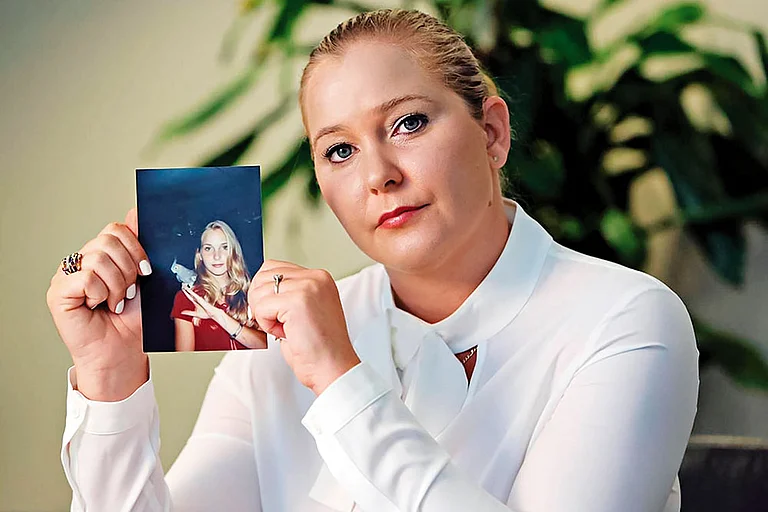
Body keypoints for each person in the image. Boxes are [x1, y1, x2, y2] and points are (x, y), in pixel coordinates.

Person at [46, 8, 699, 512]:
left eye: (409, 123)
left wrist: (340, 379)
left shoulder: (627, 319)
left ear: (492, 133)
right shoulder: (273, 343)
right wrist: (109, 379)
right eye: (339, 151)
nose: (378, 176)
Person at [170, 220, 266, 351]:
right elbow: (184, 360)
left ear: (234, 251)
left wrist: (218, 316)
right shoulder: (187, 298)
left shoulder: (253, 291)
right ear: (200, 255)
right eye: (208, 248)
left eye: (224, 247)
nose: (217, 256)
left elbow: (267, 346)